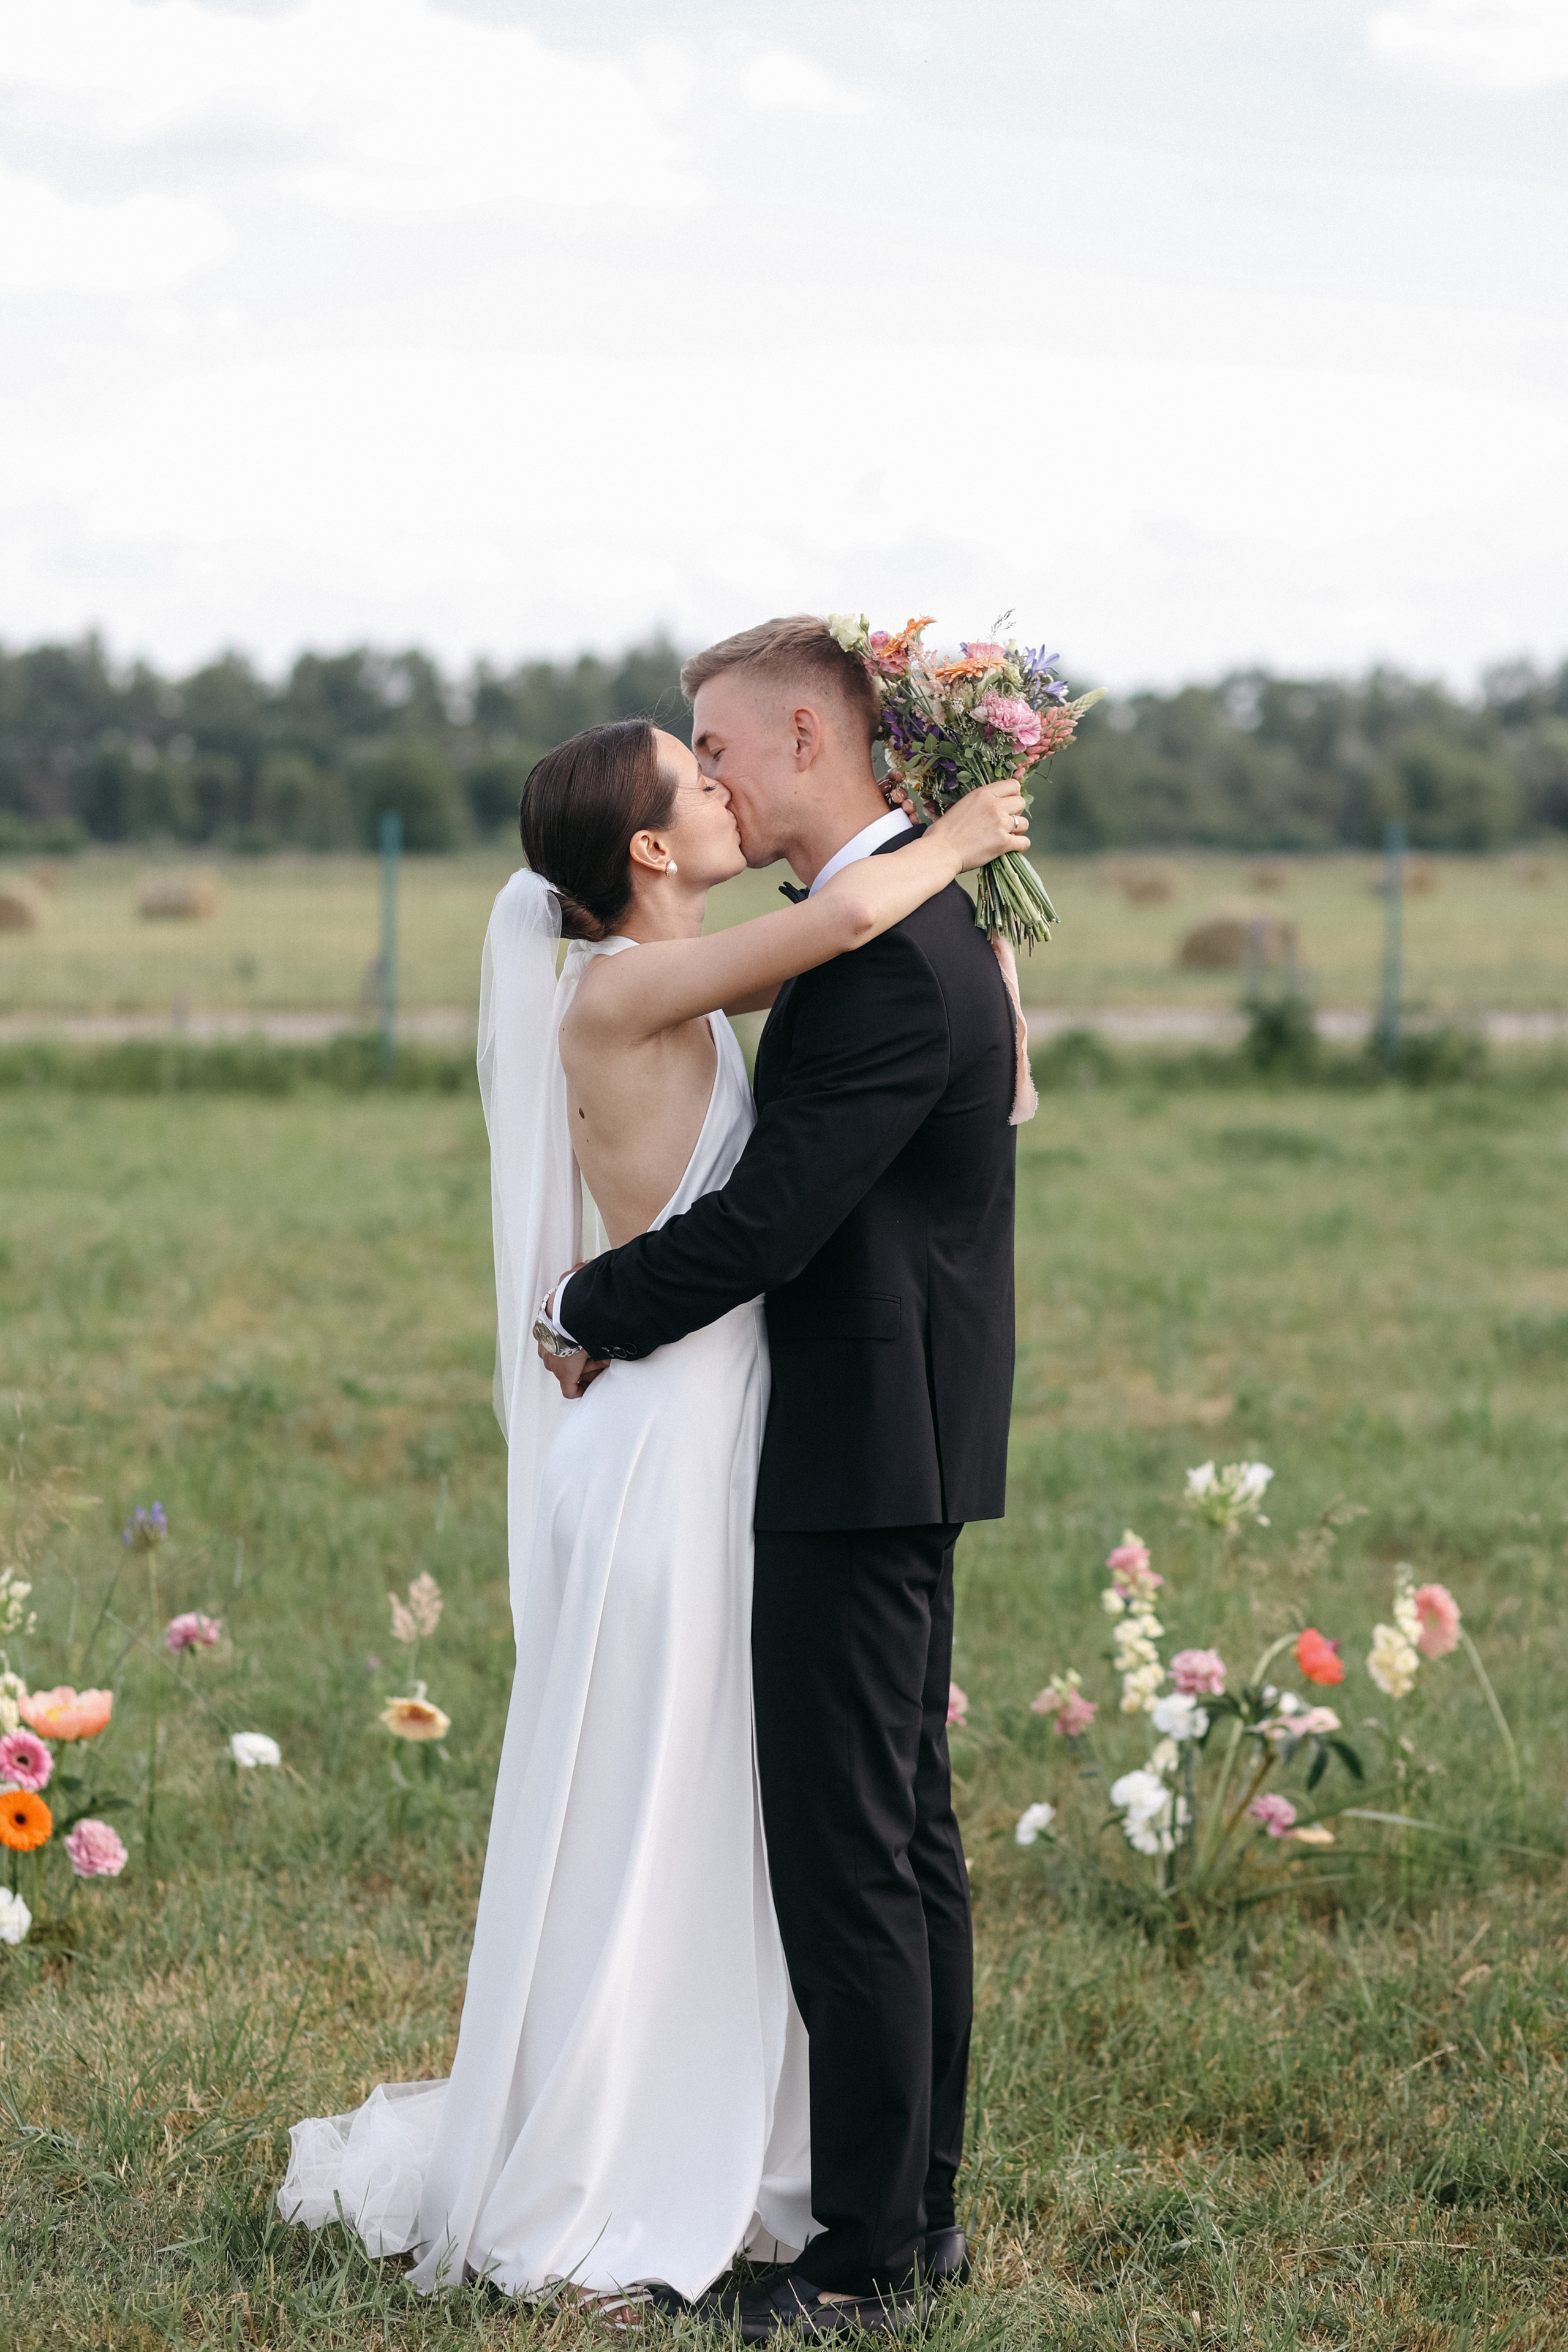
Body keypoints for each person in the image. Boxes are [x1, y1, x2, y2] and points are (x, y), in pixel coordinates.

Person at [276, 682, 1027, 2325]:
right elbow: (837, 936)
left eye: (723, 749)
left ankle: (820, 2184)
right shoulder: (638, 982)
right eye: (698, 775)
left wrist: (966, 906)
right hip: (677, 1443)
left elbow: (890, 1002)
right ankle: (633, 2160)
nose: (722, 789)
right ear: (647, 845)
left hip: (744, 1434)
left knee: (782, 1823)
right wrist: (959, 827)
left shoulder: (689, 980)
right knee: (667, 1808)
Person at [535, 614, 1025, 2340]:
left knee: (855, 1855)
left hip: (854, 1441)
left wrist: (594, 1302)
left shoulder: (885, 951)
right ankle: (912, 2212)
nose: (718, 779)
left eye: (725, 748)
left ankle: (871, 2255)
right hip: (870, 1428)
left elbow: (767, 1221)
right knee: (898, 1835)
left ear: (812, 740)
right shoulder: (876, 923)